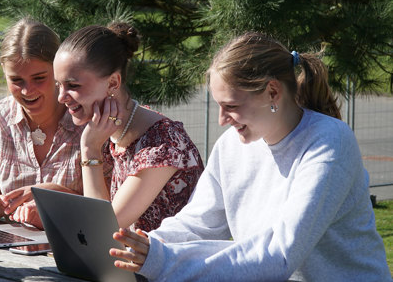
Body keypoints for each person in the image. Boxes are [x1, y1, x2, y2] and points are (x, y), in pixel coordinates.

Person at [110, 32, 392, 281]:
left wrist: (163, 261)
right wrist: (140, 247)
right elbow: (198, 223)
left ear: (272, 92)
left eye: (230, 106)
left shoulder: (329, 142)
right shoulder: (231, 146)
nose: (222, 120)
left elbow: (279, 255)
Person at [53, 23, 204, 232]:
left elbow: (102, 229)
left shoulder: (162, 143)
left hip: (172, 264)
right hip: (132, 263)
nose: (61, 97)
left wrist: (89, 149)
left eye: (73, 86)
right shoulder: (109, 134)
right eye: (58, 85)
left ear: (113, 82)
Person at [0, 18, 84, 229]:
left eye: (39, 78)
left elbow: (106, 209)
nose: (27, 91)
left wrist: (49, 194)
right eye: (16, 80)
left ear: (58, 70)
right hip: (16, 246)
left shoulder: (84, 120)